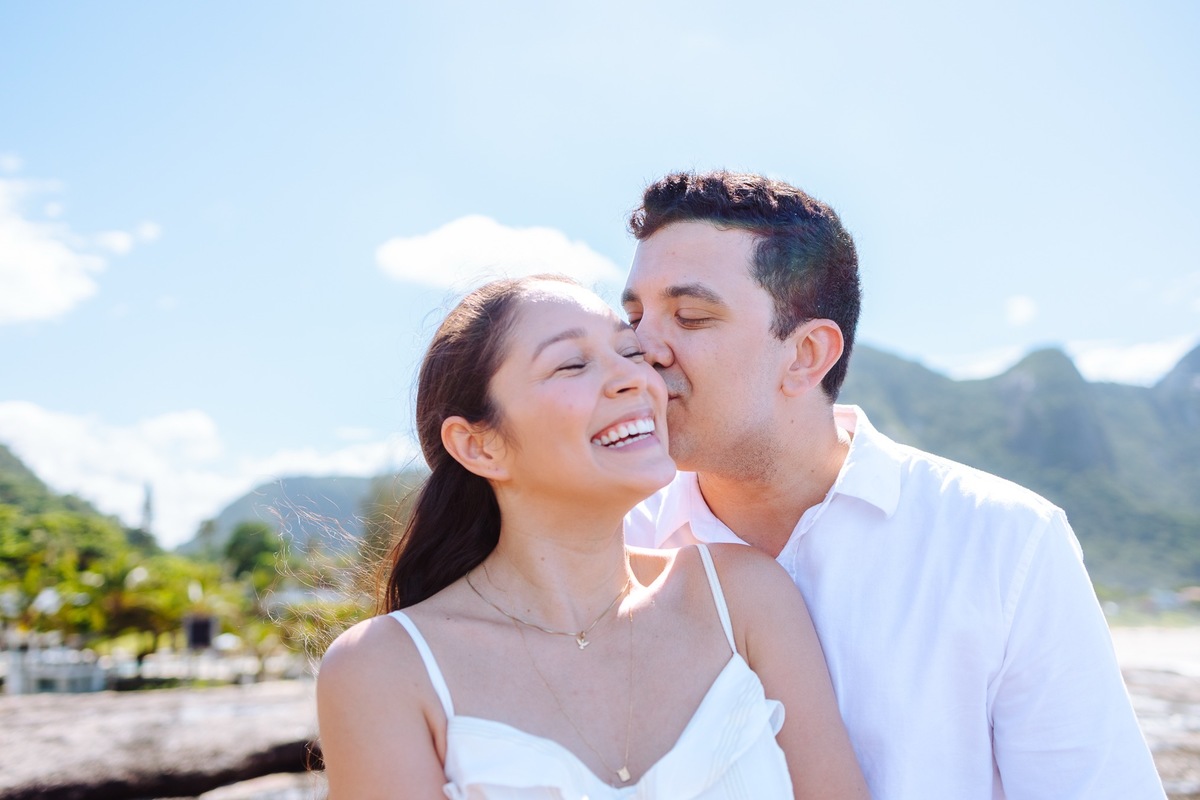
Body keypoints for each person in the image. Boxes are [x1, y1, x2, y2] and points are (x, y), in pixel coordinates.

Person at [620, 170, 1166, 799]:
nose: (641, 349)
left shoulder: (1004, 541)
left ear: (805, 355)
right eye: (633, 316)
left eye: (689, 316)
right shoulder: (610, 545)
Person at [317, 275, 868, 799]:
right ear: (479, 445)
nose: (636, 377)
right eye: (572, 364)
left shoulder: (744, 597)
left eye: (630, 353)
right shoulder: (384, 669)